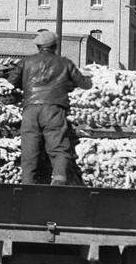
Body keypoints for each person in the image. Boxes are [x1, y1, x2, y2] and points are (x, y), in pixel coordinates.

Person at [7, 30, 92, 185]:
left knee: (29, 149)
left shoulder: (26, 62)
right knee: (59, 147)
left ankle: (27, 185)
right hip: (53, 109)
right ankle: (59, 182)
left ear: (38, 46)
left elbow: (10, 83)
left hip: (30, 109)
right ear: (55, 46)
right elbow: (85, 84)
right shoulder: (65, 63)